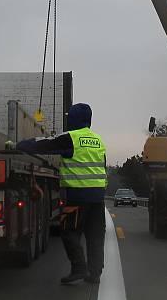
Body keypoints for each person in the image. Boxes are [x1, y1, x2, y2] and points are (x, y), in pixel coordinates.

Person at [16, 103, 106, 285]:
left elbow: (44, 145)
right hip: (98, 197)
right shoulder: (98, 140)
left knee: (69, 231)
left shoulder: (71, 138)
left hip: (78, 195)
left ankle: (79, 268)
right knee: (95, 236)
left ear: (72, 119)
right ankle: (95, 274)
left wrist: (20, 145)